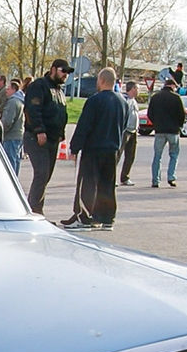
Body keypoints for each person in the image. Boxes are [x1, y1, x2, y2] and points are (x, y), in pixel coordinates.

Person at [65, 68, 125, 230]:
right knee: (107, 184)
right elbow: (124, 126)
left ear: (102, 81)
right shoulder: (122, 102)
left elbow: (84, 126)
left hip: (93, 148)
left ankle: (85, 217)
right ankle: (107, 218)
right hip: (112, 148)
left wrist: (74, 148)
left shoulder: (94, 101)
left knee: (88, 183)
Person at [22, 58, 71, 215]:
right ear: (53, 69)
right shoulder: (39, 86)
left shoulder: (60, 91)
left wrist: (61, 133)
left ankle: (35, 209)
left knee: (46, 176)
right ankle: (34, 211)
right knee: (41, 173)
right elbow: (32, 109)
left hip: (53, 139)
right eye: (63, 71)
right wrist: (39, 130)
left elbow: (61, 114)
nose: (65, 75)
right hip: (36, 138)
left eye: (68, 73)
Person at [146, 79, 185, 187]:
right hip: (173, 131)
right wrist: (179, 126)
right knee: (174, 154)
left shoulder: (155, 97)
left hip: (159, 131)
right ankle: (171, 177)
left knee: (157, 156)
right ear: (172, 86)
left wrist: (156, 124)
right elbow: (182, 114)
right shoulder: (176, 98)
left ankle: (155, 180)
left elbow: (150, 113)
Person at [0, 77, 24, 169]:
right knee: (16, 159)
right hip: (18, 135)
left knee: (10, 161)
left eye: (8, 89)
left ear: (14, 89)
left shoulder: (12, 102)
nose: (6, 91)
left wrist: (1, 131)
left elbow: (8, 121)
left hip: (11, 136)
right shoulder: (20, 101)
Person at [118, 81, 140, 186]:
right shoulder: (125, 100)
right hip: (125, 131)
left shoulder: (134, 101)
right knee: (118, 154)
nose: (138, 91)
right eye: (137, 88)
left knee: (130, 155)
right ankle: (111, 178)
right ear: (132, 89)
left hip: (133, 131)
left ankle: (125, 177)